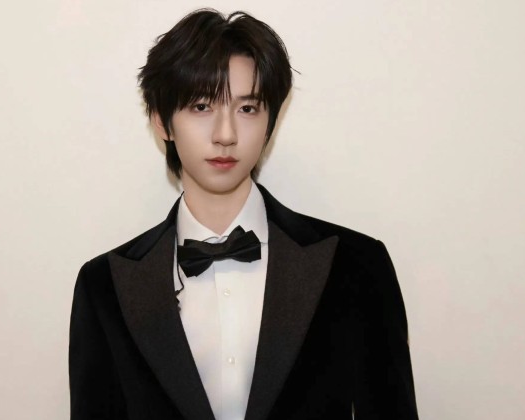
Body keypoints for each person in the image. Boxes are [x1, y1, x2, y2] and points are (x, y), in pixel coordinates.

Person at [69, 8, 419, 420]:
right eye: (201, 106)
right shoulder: (104, 285)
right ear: (162, 121)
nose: (226, 134)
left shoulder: (357, 265)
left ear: (270, 121)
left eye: (247, 109)